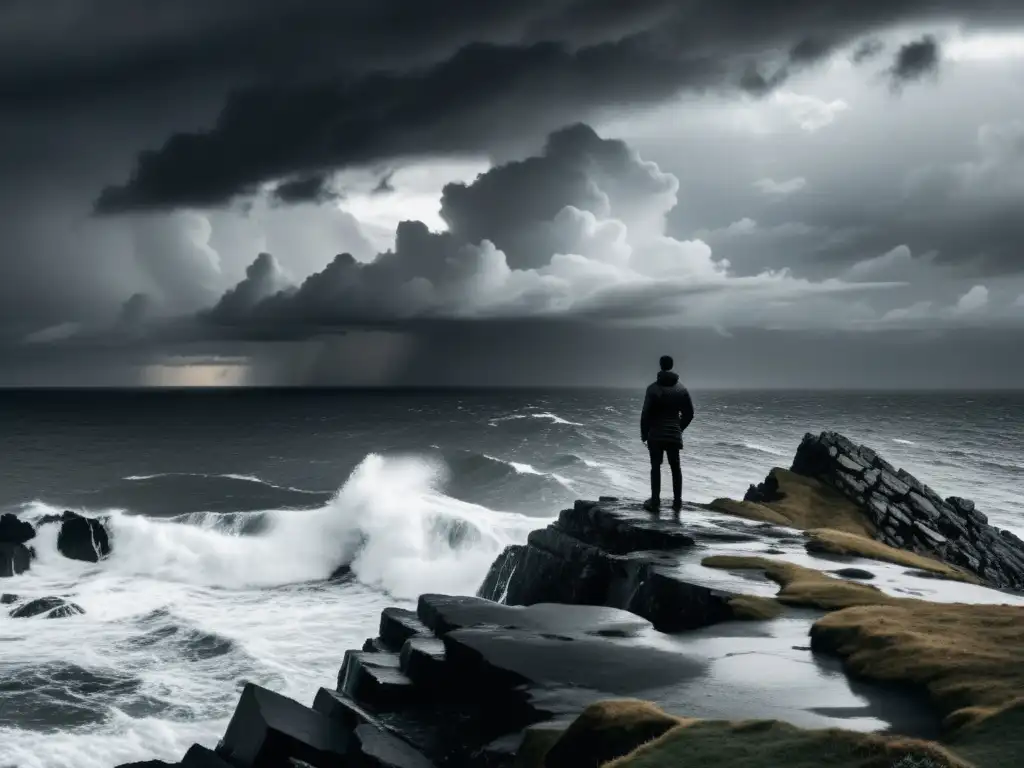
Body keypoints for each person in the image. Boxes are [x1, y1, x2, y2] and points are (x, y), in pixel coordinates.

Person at [640, 355, 694, 513]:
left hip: (655, 434)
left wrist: (644, 434)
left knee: (655, 466)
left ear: (660, 366)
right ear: (672, 366)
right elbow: (689, 413)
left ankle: (655, 501)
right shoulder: (681, 389)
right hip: (673, 435)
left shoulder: (652, 389)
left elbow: (645, 415)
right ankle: (677, 502)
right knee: (676, 467)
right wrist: (678, 428)